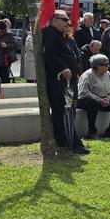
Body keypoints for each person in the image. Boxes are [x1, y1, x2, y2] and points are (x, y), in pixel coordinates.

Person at [43, 10, 89, 155]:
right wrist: (63, 68)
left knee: (69, 111)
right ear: (55, 19)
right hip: (59, 82)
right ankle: (70, 141)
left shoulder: (66, 36)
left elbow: (75, 54)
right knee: (62, 112)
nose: (68, 23)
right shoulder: (50, 33)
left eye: (69, 20)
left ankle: (66, 140)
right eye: (64, 20)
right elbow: (49, 55)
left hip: (70, 81)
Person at [77, 53, 110, 140]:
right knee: (93, 103)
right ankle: (92, 132)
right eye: (106, 65)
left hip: (105, 100)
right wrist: (99, 100)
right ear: (98, 66)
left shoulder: (108, 74)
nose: (108, 66)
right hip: (88, 101)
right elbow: (83, 92)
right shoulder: (88, 75)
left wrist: (109, 99)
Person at [0, 19, 18, 84]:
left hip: (5, 59)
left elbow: (14, 45)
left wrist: (6, 45)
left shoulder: (9, 34)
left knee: (5, 75)